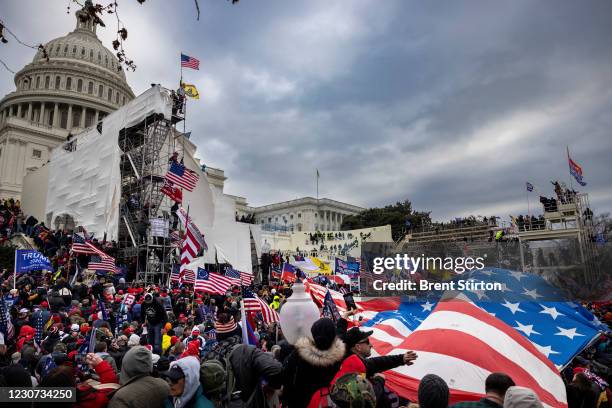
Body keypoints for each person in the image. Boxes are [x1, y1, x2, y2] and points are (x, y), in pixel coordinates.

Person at [282, 318, 347, 408]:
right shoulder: (338, 357)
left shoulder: (299, 354)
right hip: (324, 402)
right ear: (333, 336)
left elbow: (286, 373)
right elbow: (343, 335)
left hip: (299, 402)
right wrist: (343, 320)